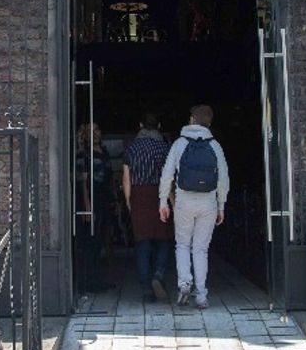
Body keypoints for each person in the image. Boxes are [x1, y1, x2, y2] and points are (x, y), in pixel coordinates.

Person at [158, 104, 229, 309]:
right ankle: (202, 295)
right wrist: (221, 205)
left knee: (182, 245)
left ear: (191, 120)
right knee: (201, 249)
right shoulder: (215, 146)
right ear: (209, 122)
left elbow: (167, 175)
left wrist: (163, 201)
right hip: (208, 202)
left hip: (184, 201)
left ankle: (184, 284)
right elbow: (223, 179)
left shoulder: (180, 143)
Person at [122, 112, 171, 303]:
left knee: (142, 243)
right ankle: (158, 274)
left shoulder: (132, 148)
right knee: (164, 239)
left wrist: (128, 201)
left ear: (140, 125)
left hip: (139, 196)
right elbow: (169, 177)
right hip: (160, 195)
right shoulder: (163, 148)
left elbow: (126, 179)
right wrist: (171, 201)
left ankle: (145, 288)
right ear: (158, 126)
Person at [75, 123, 111, 294]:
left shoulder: (104, 152)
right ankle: (88, 281)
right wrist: (87, 206)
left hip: (104, 200)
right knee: (91, 242)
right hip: (92, 201)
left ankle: (98, 279)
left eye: (97, 130)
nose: (95, 134)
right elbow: (82, 181)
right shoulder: (83, 156)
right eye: (90, 132)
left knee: (101, 240)